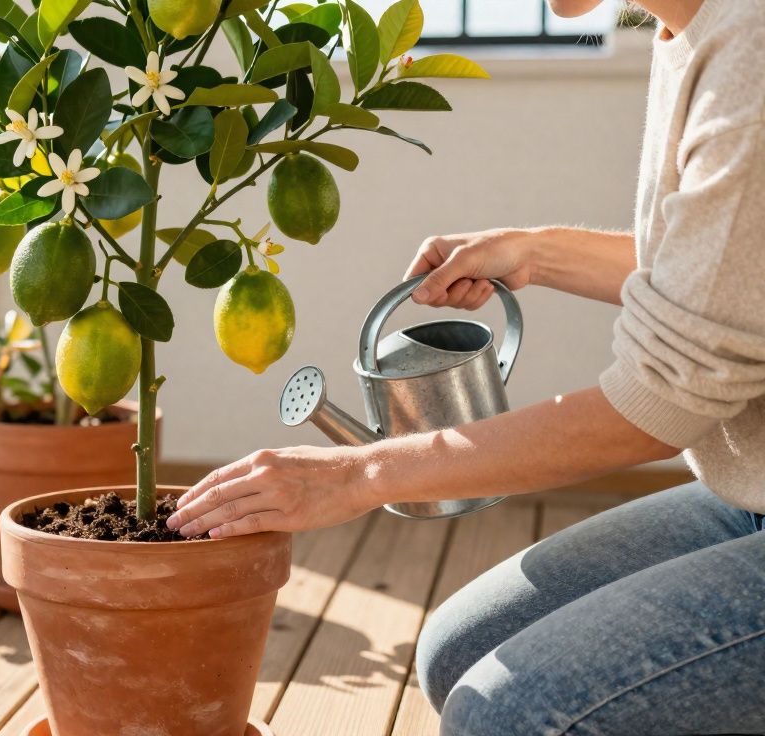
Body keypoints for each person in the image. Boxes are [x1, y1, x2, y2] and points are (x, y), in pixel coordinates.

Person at [166, 0, 765, 732]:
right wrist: (533, 252)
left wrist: (362, 472)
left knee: (511, 714)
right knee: (458, 653)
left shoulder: (751, 53)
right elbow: (724, 275)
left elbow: (657, 405)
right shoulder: (695, 29)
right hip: (745, 492)